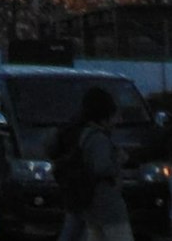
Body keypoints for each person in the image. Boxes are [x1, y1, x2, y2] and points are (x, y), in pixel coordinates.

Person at [55, 86, 130, 241]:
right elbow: (102, 167)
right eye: (114, 116)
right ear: (105, 116)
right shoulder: (99, 139)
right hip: (107, 204)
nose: (118, 121)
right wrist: (118, 160)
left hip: (90, 204)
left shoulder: (84, 134)